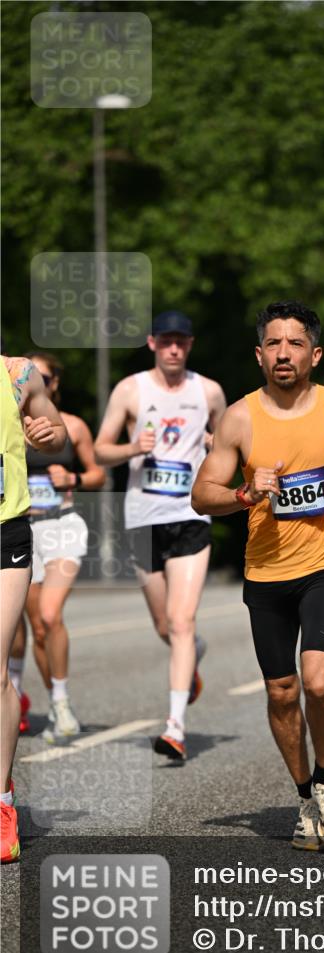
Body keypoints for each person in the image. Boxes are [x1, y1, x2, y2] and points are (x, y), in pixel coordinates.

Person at [192, 301, 324, 850]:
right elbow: (202, 495)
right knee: (282, 692)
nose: (284, 352)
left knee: (320, 682)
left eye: (295, 343)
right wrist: (245, 493)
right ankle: (305, 796)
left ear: (315, 354)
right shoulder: (238, 417)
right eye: (273, 344)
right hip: (267, 568)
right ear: (259, 355)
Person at [94, 311, 226, 761]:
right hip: (143, 519)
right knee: (164, 625)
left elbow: (230, 441)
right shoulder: (131, 389)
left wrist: (215, 445)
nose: (174, 349)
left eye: (182, 342)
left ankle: (174, 727)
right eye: (167, 341)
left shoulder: (208, 391)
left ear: (190, 345)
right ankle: (194, 654)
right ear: (152, 343)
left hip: (190, 514)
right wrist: (133, 447)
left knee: (182, 621)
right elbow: (99, 449)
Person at [9, 352, 105, 739]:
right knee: (34, 626)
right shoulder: (10, 419)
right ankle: (45, 699)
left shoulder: (76, 427)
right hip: (25, 529)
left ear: (54, 383)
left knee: (50, 616)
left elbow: (98, 474)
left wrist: (73, 479)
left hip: (63, 526)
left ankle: (62, 705)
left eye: (42, 376)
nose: (30, 380)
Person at [1, 354, 67, 863]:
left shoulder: (20, 373)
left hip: (7, 533)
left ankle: (2, 802)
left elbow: (58, 430)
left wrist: (49, 433)